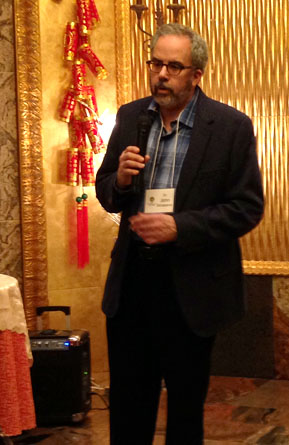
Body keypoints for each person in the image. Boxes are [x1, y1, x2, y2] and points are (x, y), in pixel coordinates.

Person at [96, 23, 264, 444]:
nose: (161, 74)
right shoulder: (130, 116)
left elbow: (246, 208)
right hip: (133, 284)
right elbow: (106, 191)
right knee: (129, 409)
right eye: (156, 63)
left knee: (185, 414)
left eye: (174, 66)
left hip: (192, 288)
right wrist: (121, 180)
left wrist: (180, 227)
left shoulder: (229, 127)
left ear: (196, 74)